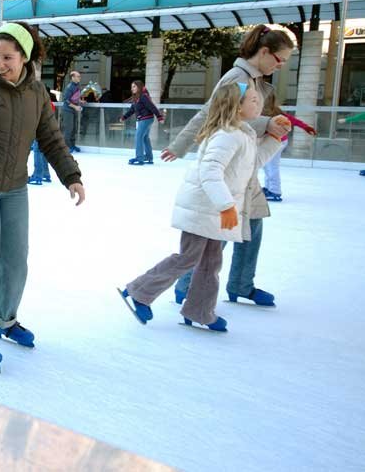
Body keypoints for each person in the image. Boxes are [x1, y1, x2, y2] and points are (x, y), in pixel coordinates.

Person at [0, 21, 85, 370]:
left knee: (16, 259)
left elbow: (51, 139)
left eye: (7, 57)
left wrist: (71, 176)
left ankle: (3, 318)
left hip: (15, 187)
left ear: (24, 57)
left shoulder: (36, 94)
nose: (0, 63)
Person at [120, 83, 288, 332]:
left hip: (215, 211)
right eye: (253, 100)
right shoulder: (226, 135)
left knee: (210, 262)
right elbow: (210, 171)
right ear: (236, 106)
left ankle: (199, 311)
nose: (259, 104)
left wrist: (274, 138)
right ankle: (139, 291)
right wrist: (227, 205)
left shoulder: (242, 133)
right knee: (188, 257)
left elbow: (253, 163)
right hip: (204, 208)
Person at [165, 24, 295, 307]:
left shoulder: (256, 78)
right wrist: (180, 144)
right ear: (264, 51)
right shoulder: (238, 77)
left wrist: (272, 126)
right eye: (279, 59)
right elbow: (217, 114)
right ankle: (186, 286)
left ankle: (240, 285)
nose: (281, 65)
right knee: (220, 228)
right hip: (230, 163)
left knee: (252, 225)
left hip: (244, 162)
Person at [260, 86, 316, 202]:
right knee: (267, 165)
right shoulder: (263, 111)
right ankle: (269, 187)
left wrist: (305, 127)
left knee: (271, 165)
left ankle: (275, 191)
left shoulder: (275, 112)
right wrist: (305, 127)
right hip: (273, 141)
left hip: (277, 141)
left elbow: (292, 120)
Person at [120, 80, 165, 165]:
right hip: (144, 119)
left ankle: (140, 158)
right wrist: (124, 117)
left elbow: (152, 106)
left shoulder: (144, 96)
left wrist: (159, 117)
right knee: (145, 138)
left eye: (134, 86)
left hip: (146, 119)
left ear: (139, 87)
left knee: (138, 137)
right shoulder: (137, 97)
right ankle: (148, 157)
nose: (132, 88)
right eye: (131, 87)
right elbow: (132, 109)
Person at [28, 87, 56, 185]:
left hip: (40, 132)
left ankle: (37, 175)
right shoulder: (50, 103)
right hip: (47, 132)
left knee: (37, 152)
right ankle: (45, 174)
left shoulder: (39, 103)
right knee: (43, 152)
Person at [62, 71, 83, 152]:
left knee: (74, 128)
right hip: (68, 111)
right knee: (68, 129)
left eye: (79, 76)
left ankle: (72, 145)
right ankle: (67, 147)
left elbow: (74, 97)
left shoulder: (77, 85)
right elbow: (66, 100)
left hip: (74, 110)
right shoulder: (69, 87)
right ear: (72, 77)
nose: (79, 78)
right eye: (78, 76)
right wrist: (75, 107)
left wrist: (80, 101)